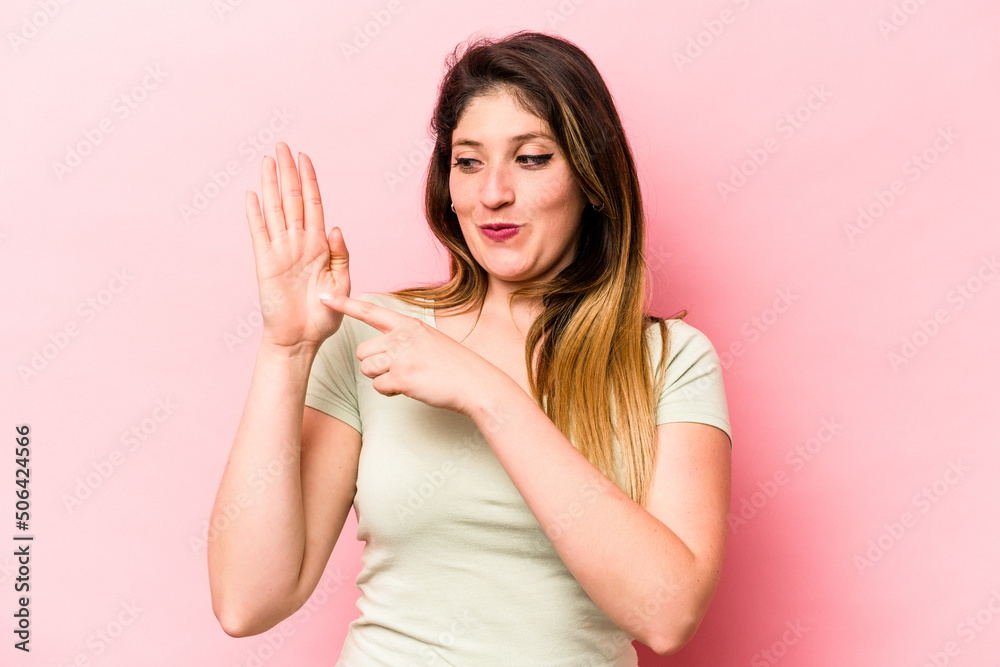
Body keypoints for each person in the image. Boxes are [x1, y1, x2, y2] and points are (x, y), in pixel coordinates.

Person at [207, 30, 732, 665]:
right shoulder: (375, 335)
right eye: (469, 161)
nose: (492, 194)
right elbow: (247, 602)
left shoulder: (672, 359)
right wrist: (285, 351)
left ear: (593, 180)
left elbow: (668, 615)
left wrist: (489, 395)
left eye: (532, 158)